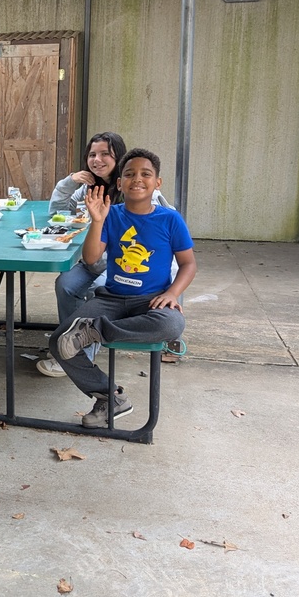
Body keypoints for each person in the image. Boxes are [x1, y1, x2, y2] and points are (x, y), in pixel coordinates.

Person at [49, 148, 196, 428]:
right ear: (119, 183)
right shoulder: (111, 215)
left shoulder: (170, 219)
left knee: (172, 325)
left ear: (157, 183)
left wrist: (172, 293)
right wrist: (98, 221)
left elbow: (188, 264)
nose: (136, 179)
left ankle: (96, 330)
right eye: (129, 174)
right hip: (112, 298)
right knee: (59, 341)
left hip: (151, 300)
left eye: (145, 174)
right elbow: (91, 259)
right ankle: (109, 397)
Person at [40, 132, 174, 378]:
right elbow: (58, 213)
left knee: (98, 293)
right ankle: (70, 339)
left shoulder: (141, 191)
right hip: (93, 261)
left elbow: (167, 245)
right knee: (65, 284)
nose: (97, 160)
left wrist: (171, 288)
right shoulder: (89, 189)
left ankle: (80, 352)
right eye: (92, 154)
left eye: (104, 154)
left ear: (119, 157)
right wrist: (68, 182)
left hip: (124, 268)